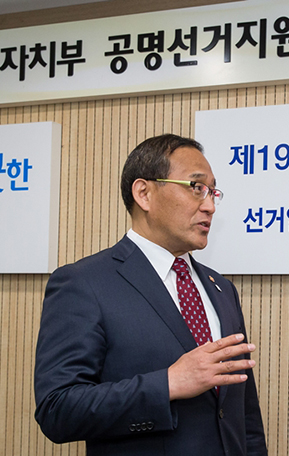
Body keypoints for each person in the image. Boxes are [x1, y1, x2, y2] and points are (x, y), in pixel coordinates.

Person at [34, 134, 267, 456]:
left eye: (213, 192)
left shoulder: (221, 288)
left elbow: (246, 416)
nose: (210, 205)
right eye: (196, 187)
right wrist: (168, 383)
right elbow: (58, 410)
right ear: (144, 193)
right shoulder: (84, 284)